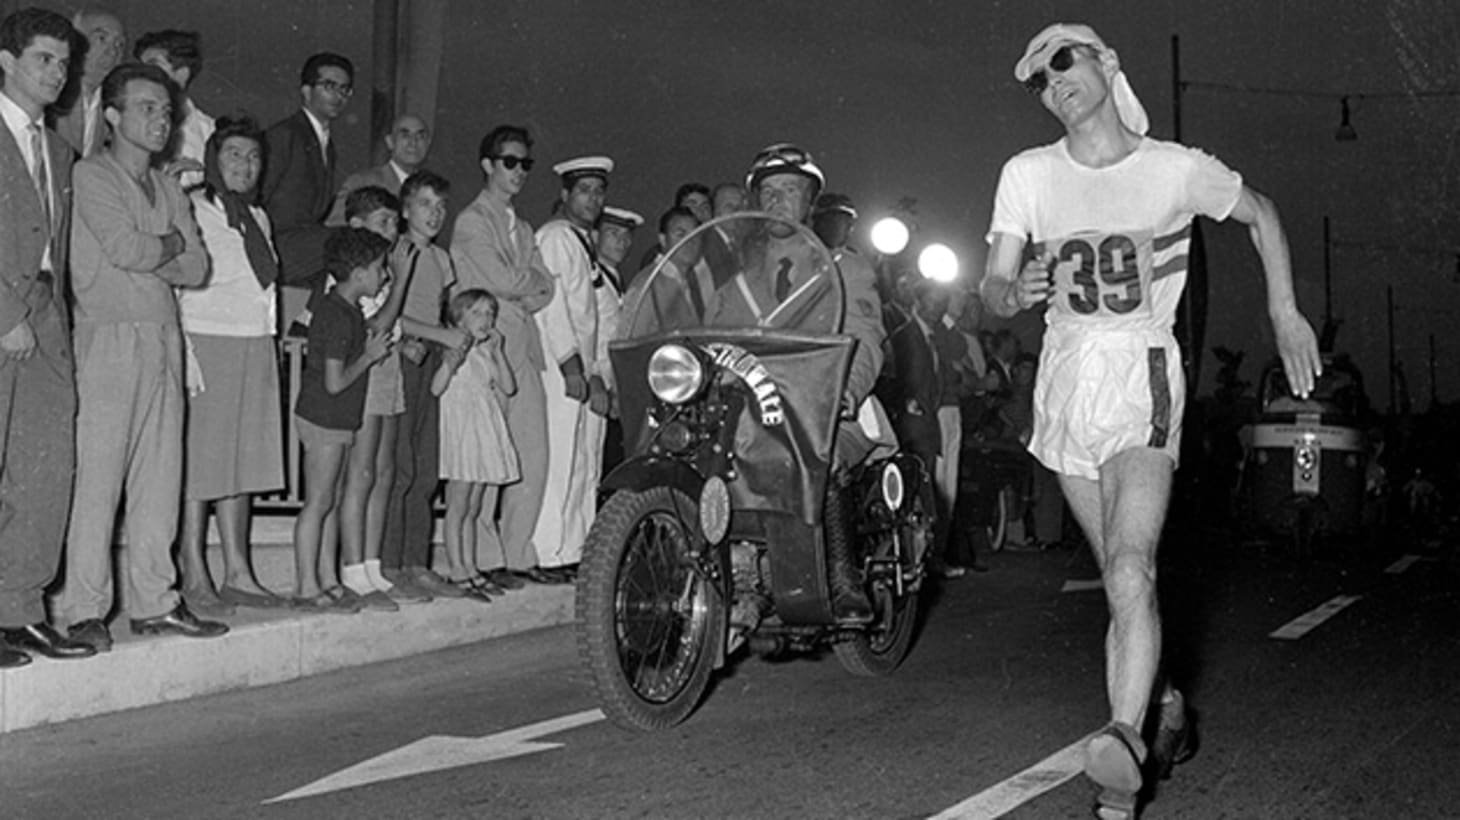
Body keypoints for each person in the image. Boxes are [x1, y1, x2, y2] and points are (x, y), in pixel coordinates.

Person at [981, 23, 1322, 817]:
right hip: (1065, 381)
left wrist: (1285, 312)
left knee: (1132, 570)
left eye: (1064, 60)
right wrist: (1012, 291)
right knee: (1120, 581)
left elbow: (1262, 213)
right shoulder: (1028, 174)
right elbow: (992, 287)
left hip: (1140, 372)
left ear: (1106, 63)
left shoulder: (1173, 168)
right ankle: (1163, 704)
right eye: (1039, 79)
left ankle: (1119, 764)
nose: (1053, 82)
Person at [59, 61, 226, 647]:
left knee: (161, 476)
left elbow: (197, 267)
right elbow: (126, 248)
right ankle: (84, 609)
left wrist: (161, 250)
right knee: (98, 480)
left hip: (162, 335)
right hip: (107, 338)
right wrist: (169, 243)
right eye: (147, 108)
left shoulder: (166, 185)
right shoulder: (91, 175)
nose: (162, 121)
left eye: (166, 112)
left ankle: (156, 601)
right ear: (112, 114)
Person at [710, 143, 888, 622]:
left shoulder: (845, 268)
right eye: (768, 192)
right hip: (750, 418)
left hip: (828, 411)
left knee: (821, 459)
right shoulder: (737, 280)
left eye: (789, 190)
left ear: (810, 202)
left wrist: (847, 389)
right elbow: (709, 340)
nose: (777, 200)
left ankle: (841, 577)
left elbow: (865, 336)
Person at [0, 6, 97, 666]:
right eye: (43, 58)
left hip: (45, 317)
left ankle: (18, 610)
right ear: (7, 61)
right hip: (5, 312)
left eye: (64, 62)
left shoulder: (59, 151)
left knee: (44, 470)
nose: (57, 72)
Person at [175, 114, 288, 616]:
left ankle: (239, 572)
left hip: (253, 343)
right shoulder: (192, 209)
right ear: (213, 160)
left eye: (253, 156)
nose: (245, 165)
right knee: (202, 464)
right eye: (234, 155)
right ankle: (193, 571)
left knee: (242, 463)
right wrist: (184, 353)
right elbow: (178, 286)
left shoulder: (258, 217)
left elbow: (262, 290)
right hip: (207, 343)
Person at [449, 124, 558, 586]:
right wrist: (524, 284)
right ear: (488, 165)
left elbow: (546, 288)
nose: (518, 171)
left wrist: (522, 286)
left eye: (525, 164)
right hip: (487, 351)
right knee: (487, 458)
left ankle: (517, 552)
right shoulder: (472, 221)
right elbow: (507, 281)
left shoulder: (524, 227)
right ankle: (484, 558)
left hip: (523, 349)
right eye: (509, 162)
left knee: (532, 456)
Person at [289, 227, 393, 612]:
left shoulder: (347, 310)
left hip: (337, 420)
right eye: (380, 268)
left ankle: (325, 579)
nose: (385, 275)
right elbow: (334, 383)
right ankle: (305, 586)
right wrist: (369, 357)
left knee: (328, 500)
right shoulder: (335, 315)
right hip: (324, 418)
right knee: (318, 502)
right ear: (359, 273)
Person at [381, 170, 473, 602]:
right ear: (405, 209)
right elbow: (386, 314)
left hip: (429, 362)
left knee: (424, 467)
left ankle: (417, 562)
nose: (435, 214)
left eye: (440, 206)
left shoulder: (440, 259)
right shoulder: (394, 252)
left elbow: (444, 315)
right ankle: (390, 564)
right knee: (398, 466)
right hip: (399, 361)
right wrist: (433, 336)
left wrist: (453, 344)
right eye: (425, 204)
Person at [532, 155, 611, 580]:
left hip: (583, 366)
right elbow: (553, 307)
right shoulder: (555, 237)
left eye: (598, 191)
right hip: (559, 366)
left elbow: (591, 317)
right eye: (583, 191)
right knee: (560, 460)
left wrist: (595, 369)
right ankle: (548, 552)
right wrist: (570, 365)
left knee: (582, 461)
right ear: (565, 194)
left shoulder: (582, 241)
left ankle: (574, 549)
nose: (592, 199)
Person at [335, 186, 408, 611]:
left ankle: (372, 565)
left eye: (395, 222)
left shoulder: (384, 274)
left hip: (389, 370)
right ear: (357, 225)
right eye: (384, 221)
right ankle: (352, 569)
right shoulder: (351, 273)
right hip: (366, 374)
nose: (392, 230)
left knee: (383, 470)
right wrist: (401, 281)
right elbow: (376, 325)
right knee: (361, 472)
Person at [433, 289, 518, 601]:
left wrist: (499, 352)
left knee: (473, 507)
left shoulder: (484, 353)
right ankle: (457, 568)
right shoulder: (453, 347)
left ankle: (470, 565)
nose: (486, 319)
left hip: (482, 431)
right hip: (462, 431)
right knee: (458, 506)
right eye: (477, 313)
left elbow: (508, 386)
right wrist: (450, 364)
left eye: (490, 314)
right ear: (459, 318)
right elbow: (436, 387)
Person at [261, 52, 353, 329]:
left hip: (304, 249)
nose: (337, 95)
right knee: (354, 241)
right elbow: (258, 197)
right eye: (329, 86)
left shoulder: (327, 144)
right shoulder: (285, 135)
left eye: (344, 89)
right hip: (277, 247)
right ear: (306, 90)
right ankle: (306, 322)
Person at [592, 205, 642, 473]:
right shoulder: (590, 278)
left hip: (610, 386)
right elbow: (588, 333)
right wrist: (596, 377)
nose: (621, 242)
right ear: (594, 235)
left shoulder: (614, 279)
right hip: (593, 385)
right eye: (613, 233)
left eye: (626, 236)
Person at [134, 29, 211, 190]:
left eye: (153, 66)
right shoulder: (129, 126)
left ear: (181, 75)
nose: (142, 75)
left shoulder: (209, 133)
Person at [326, 113, 431, 225]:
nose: (413, 142)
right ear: (390, 142)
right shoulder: (361, 183)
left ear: (428, 143)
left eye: (420, 136)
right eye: (405, 136)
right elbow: (335, 227)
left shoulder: (431, 189)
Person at [53, 9, 122, 158]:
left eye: (119, 44)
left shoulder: (110, 104)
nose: (112, 51)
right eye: (102, 39)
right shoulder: (54, 96)